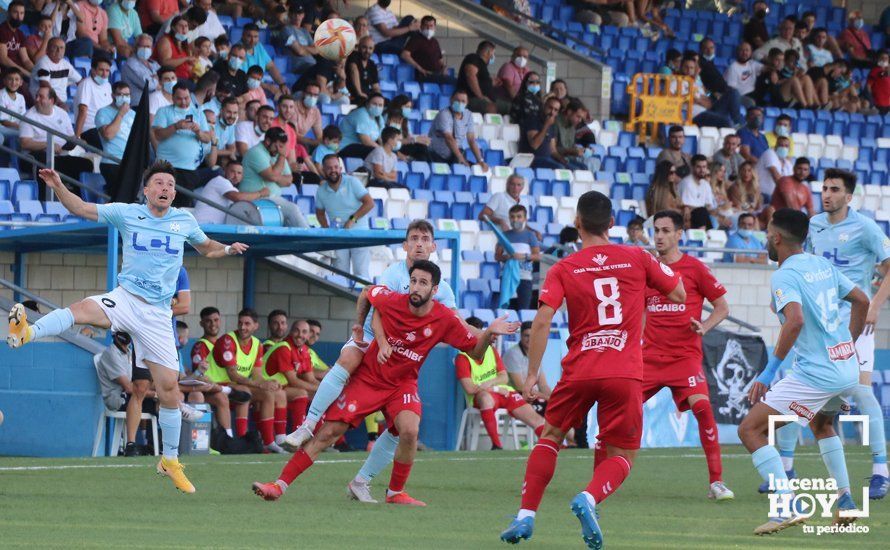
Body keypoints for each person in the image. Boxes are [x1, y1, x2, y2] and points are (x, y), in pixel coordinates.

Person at [7, 161, 248, 491]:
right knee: (80, 310)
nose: (165, 188)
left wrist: (227, 249)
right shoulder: (126, 212)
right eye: (159, 183)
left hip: (159, 315)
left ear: (174, 193)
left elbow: (206, 248)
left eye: (170, 184)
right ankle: (27, 332)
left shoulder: (184, 220)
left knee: (168, 390)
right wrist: (58, 185)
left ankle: (170, 461)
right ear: (146, 190)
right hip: (126, 299)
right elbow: (80, 207)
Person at [500, 191, 685, 546]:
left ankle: (525, 515)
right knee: (623, 453)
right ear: (612, 224)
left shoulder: (564, 268)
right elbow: (678, 293)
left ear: (578, 224)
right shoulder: (637, 257)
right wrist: (639, 292)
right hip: (624, 370)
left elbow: (541, 321)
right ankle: (589, 497)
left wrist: (533, 375)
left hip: (579, 369)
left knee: (551, 437)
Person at [252, 261, 518, 504]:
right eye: (413, 280)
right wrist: (363, 330)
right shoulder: (394, 300)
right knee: (329, 433)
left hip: (402, 384)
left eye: (423, 283)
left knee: (409, 430)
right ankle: (278, 485)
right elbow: (368, 294)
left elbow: (475, 352)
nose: (415, 287)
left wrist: (488, 334)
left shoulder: (445, 319)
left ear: (435, 289)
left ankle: (394, 492)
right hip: (369, 379)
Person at [283, 221, 459, 495]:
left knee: (403, 427)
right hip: (371, 340)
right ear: (405, 246)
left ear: (434, 246)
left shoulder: (442, 290)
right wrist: (379, 339)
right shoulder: (394, 273)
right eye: (414, 238)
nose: (420, 244)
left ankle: (365, 482)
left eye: (425, 239)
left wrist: (483, 334)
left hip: (398, 363)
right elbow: (379, 309)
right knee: (349, 360)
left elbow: (454, 324)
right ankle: (306, 426)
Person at [738, 208, 867, 535]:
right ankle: (846, 500)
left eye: (768, 233)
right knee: (822, 425)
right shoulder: (821, 264)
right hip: (845, 367)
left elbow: (795, 320)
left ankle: (787, 507)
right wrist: (847, 344)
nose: (767, 238)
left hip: (817, 374)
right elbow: (862, 300)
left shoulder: (784, 275)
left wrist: (768, 372)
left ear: (777, 238)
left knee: (751, 430)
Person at [767, 170, 890, 500]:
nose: (827, 194)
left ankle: (881, 469)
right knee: (801, 391)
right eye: (824, 188)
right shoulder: (814, 226)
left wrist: (876, 304)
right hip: (821, 323)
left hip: (856, 320)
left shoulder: (865, 228)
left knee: (862, 393)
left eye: (834, 189)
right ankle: (786, 465)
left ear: (849, 197)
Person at [643, 210, 734, 500]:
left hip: (685, 358)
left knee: (704, 410)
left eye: (666, 230)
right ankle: (602, 479)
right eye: (656, 230)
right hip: (649, 359)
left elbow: (722, 307)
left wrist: (704, 326)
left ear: (679, 234)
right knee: (618, 408)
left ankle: (716, 483)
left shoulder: (695, 269)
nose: (659, 236)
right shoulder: (646, 268)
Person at [457, 316, 545, 450]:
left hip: (503, 392)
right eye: (478, 333)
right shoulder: (462, 358)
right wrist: (495, 389)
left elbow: (504, 377)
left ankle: (554, 446)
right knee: (485, 399)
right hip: (483, 396)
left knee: (535, 418)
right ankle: (497, 446)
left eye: (482, 333)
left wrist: (492, 386)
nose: (482, 337)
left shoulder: (491, 351)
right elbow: (469, 388)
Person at [210, 307, 284, 453]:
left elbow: (256, 374)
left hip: (234, 387)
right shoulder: (227, 341)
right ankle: (241, 440)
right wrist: (260, 383)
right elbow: (233, 375)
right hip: (214, 384)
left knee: (269, 393)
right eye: (240, 323)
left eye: (247, 324)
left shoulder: (257, 344)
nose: (243, 327)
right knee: (245, 392)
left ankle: (269, 442)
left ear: (256, 326)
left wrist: (268, 383)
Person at [20, 83, 94, 200]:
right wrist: (48, 145)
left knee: (86, 164)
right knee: (44, 163)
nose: (37, 99)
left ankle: (76, 200)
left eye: (41, 97)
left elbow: (70, 137)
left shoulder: (62, 114)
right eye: (37, 96)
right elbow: (25, 143)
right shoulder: (29, 116)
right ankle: (45, 202)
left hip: (59, 156)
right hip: (35, 157)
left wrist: (77, 141)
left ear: (52, 100)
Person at [151, 83, 216, 205]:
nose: (184, 102)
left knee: (183, 207)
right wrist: (176, 126)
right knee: (163, 203)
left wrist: (198, 131)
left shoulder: (198, 113)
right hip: (166, 166)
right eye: (179, 98)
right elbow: (158, 135)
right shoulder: (164, 111)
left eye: (186, 98)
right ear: (173, 98)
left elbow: (207, 138)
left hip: (189, 169)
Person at [315, 155, 375, 279]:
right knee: (340, 275)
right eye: (329, 168)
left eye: (336, 167)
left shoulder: (352, 182)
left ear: (340, 168)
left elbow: (370, 203)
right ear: (323, 170)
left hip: (359, 233)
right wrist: (326, 229)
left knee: (361, 274)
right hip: (338, 236)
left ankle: (363, 299)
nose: (333, 170)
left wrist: (352, 220)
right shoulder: (321, 190)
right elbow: (319, 213)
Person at [262, 319, 319, 447]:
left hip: (280, 387)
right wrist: (319, 389)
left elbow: (310, 378)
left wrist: (323, 390)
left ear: (308, 335)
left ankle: (317, 440)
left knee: (317, 396)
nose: (300, 335)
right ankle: (292, 439)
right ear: (291, 331)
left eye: (304, 332)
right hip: (264, 385)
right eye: (296, 331)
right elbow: (293, 381)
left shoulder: (304, 350)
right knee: (301, 393)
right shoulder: (284, 348)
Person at [240, 127, 308, 228]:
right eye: (278, 146)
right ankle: (311, 237)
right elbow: (272, 177)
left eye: (282, 147)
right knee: (292, 209)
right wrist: (281, 158)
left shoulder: (276, 152)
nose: (280, 150)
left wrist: (275, 175)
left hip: (272, 200)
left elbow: (289, 180)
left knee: (291, 218)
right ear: (268, 141)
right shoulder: (256, 152)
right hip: (256, 200)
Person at [495, 205, 540, 310]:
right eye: (512, 217)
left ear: (525, 218)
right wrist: (507, 257)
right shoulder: (504, 235)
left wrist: (523, 256)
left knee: (524, 309)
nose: (515, 219)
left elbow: (537, 256)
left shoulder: (530, 236)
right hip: (507, 276)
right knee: (507, 309)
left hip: (525, 278)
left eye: (519, 216)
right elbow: (497, 256)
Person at [428, 90, 487, 169]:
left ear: (467, 103)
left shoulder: (468, 115)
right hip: (437, 155)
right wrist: (460, 158)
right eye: (457, 100)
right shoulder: (444, 114)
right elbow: (449, 138)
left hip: (454, 154)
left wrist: (480, 160)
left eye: (463, 101)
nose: (460, 103)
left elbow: (471, 140)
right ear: (451, 100)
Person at [194, 161, 268, 223]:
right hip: (204, 226)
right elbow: (238, 198)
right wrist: (260, 193)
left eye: (239, 173)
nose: (236, 176)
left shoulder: (233, 189)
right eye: (232, 171)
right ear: (225, 171)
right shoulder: (220, 181)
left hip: (214, 228)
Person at [95, 81, 136, 194]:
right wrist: (121, 114)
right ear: (113, 95)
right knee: (117, 199)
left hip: (130, 162)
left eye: (127, 95)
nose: (124, 98)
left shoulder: (133, 114)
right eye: (120, 95)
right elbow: (108, 135)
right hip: (112, 163)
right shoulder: (103, 112)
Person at [503, 321, 551, 400]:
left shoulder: (536, 353)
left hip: (534, 397)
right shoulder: (512, 354)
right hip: (517, 397)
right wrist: (547, 398)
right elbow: (520, 387)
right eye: (527, 336)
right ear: (521, 336)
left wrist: (553, 398)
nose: (530, 339)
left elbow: (543, 384)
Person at [401, 15, 453, 85]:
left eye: (431, 26)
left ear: (434, 27)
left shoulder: (434, 41)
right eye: (426, 26)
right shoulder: (416, 39)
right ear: (421, 27)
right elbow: (404, 54)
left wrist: (444, 67)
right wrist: (419, 68)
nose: (428, 28)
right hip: (425, 75)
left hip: (438, 74)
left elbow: (440, 59)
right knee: (456, 83)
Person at [240, 23, 289, 96]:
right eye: (249, 36)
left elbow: (271, 67)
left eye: (255, 37)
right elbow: (244, 78)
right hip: (244, 89)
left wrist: (282, 84)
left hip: (260, 88)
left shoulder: (258, 46)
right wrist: (268, 87)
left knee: (285, 96)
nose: (252, 40)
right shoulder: (238, 50)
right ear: (243, 36)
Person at [457, 41, 506, 114]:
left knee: (512, 107)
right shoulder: (473, 58)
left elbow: (481, 82)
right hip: (472, 98)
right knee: (491, 107)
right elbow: (471, 76)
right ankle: (491, 125)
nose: (493, 56)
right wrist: (481, 96)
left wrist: (491, 82)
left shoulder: (483, 65)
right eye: (493, 53)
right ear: (489, 52)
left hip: (491, 99)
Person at [519, 96, 566, 169]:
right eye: (550, 108)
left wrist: (562, 159)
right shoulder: (533, 120)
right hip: (532, 159)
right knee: (560, 168)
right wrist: (546, 125)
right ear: (544, 106)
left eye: (555, 110)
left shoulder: (551, 125)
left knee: (578, 167)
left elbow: (553, 150)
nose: (552, 112)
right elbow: (534, 145)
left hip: (548, 159)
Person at [30, 37, 81, 105]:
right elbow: (44, 85)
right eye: (55, 47)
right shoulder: (43, 63)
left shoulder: (65, 64)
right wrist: (59, 103)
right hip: (44, 102)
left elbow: (80, 81)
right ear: (47, 49)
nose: (58, 50)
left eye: (61, 48)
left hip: (60, 102)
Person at [74, 56, 112, 140]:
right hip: (90, 129)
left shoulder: (108, 85)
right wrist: (77, 138)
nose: (104, 74)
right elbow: (82, 111)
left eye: (107, 71)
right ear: (93, 70)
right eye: (101, 70)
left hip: (105, 128)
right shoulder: (86, 84)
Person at [338, 93, 385, 159]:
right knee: (375, 152)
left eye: (380, 105)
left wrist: (386, 150)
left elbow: (381, 138)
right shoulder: (361, 114)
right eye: (374, 104)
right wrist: (382, 151)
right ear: (367, 104)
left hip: (361, 147)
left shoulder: (379, 118)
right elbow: (365, 141)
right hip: (345, 147)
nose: (377, 107)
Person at [679, 154, 717, 229]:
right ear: (692, 167)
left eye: (704, 167)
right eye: (698, 167)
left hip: (703, 215)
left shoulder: (705, 184)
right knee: (701, 211)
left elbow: (709, 206)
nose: (702, 170)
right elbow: (685, 206)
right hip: (689, 216)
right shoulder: (687, 183)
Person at [276, 5, 316, 74]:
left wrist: (300, 46)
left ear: (303, 15)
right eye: (295, 13)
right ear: (290, 15)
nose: (297, 16)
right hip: (299, 66)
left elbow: (316, 50)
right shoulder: (286, 30)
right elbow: (299, 51)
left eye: (300, 14)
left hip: (312, 64)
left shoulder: (305, 31)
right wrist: (308, 50)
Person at [121, 34, 159, 105]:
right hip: (138, 105)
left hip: (153, 104)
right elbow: (149, 85)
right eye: (142, 46)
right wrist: (157, 79)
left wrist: (154, 80)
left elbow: (165, 81)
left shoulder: (154, 64)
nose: (145, 49)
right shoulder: (131, 63)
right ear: (135, 47)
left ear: (152, 49)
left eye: (148, 46)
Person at [723, 42, 762, 107]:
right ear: (738, 52)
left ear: (751, 53)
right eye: (742, 50)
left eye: (747, 50)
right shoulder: (733, 68)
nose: (744, 53)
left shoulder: (752, 63)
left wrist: (773, 73)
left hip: (752, 94)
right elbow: (732, 91)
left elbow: (766, 68)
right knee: (751, 102)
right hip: (739, 96)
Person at [345, 36, 380, 104]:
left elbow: (375, 87)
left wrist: (379, 97)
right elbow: (353, 71)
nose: (367, 51)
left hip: (367, 96)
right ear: (359, 47)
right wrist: (359, 92)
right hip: (352, 95)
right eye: (364, 47)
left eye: (370, 48)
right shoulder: (353, 56)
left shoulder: (372, 64)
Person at [0, 1, 32, 74]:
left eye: (21, 13)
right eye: (15, 12)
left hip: (19, 72)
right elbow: (3, 59)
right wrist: (26, 73)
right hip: (7, 73)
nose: (19, 17)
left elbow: (26, 60)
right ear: (9, 13)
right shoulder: (2, 30)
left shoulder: (20, 34)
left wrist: (36, 71)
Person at [290, 82, 323, 149]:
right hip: (291, 143)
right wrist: (313, 142)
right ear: (303, 94)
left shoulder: (316, 112)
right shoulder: (292, 108)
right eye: (309, 94)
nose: (312, 97)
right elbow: (294, 135)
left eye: (315, 95)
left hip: (303, 145)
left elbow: (320, 136)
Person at [0, 69, 26, 138]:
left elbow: (22, 118)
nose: (13, 82)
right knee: (23, 135)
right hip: (3, 128)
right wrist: (20, 128)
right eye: (10, 79)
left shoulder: (21, 97)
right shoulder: (1, 95)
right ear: (4, 81)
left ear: (21, 82)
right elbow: (3, 121)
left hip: (16, 127)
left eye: (17, 79)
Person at [868, 50, 890, 114]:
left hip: (888, 104)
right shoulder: (875, 71)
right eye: (882, 58)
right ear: (878, 59)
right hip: (879, 104)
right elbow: (868, 86)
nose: (884, 60)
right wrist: (872, 101)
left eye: (886, 58)